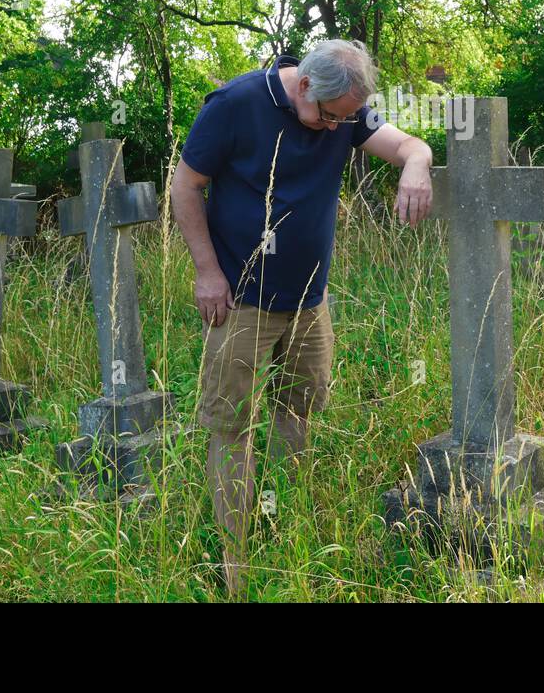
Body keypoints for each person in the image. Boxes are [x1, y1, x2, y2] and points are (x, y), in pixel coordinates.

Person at [169, 39, 434, 596]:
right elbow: (186, 186)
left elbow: (407, 143)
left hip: (311, 301)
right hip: (240, 299)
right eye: (330, 118)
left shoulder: (345, 110)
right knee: (232, 425)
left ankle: (286, 534)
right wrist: (207, 272)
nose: (338, 129)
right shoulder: (235, 104)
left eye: (348, 120)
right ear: (305, 86)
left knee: (300, 414)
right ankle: (235, 562)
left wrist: (416, 164)